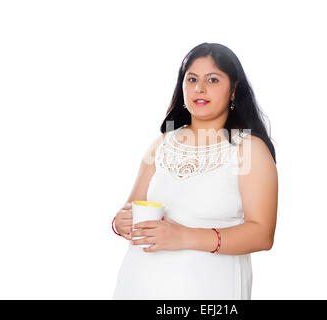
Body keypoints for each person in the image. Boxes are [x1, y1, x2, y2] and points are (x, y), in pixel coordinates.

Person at [112, 42, 278, 300]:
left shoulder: (248, 148)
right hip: (139, 285)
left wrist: (185, 237)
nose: (200, 88)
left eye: (213, 79)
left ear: (233, 90)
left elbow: (262, 234)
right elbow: (131, 209)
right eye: (192, 79)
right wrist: (120, 223)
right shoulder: (162, 143)